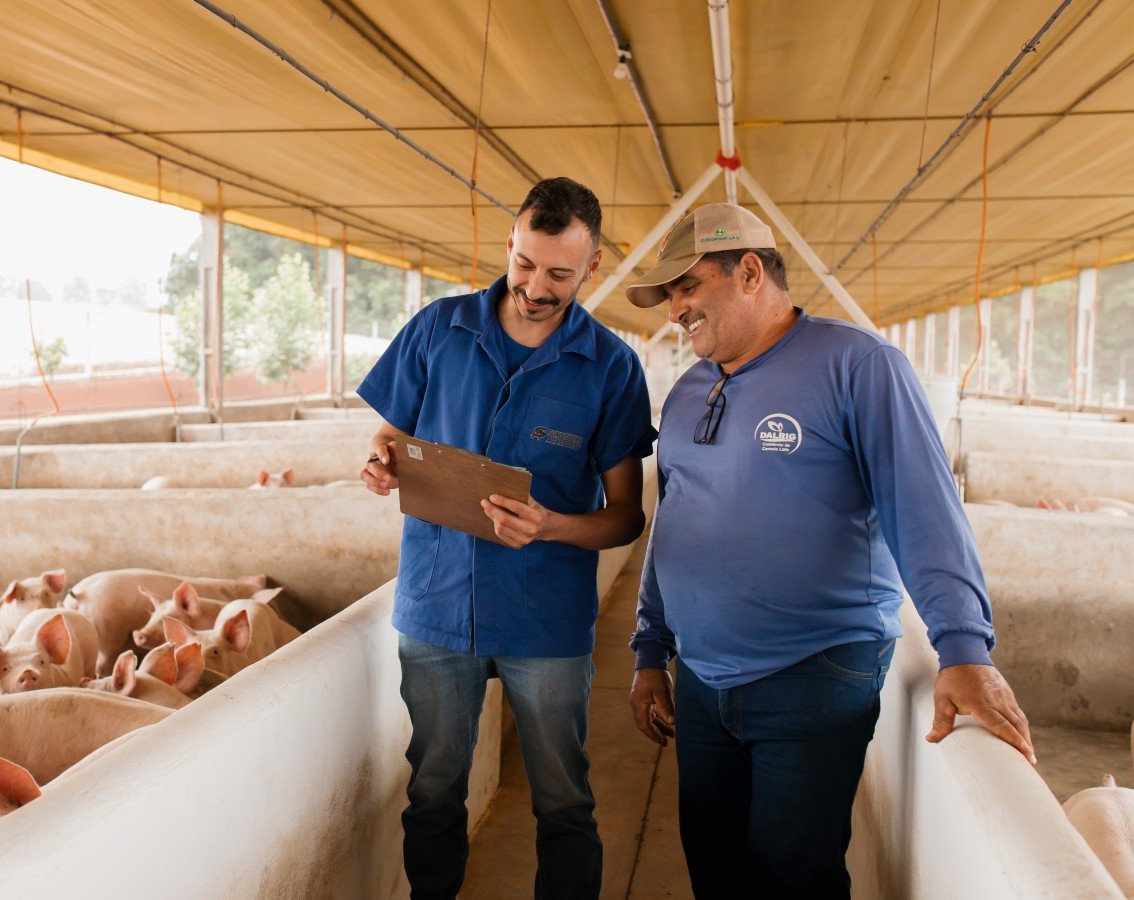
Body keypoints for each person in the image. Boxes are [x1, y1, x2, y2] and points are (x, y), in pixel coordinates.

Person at [624, 203, 1034, 898]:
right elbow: (676, 521)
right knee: (713, 865)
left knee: (794, 874)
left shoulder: (860, 366)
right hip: (700, 678)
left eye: (687, 287)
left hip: (813, 672)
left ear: (750, 271)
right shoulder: (690, 390)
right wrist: (648, 650)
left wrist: (964, 648)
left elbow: (925, 509)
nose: (675, 311)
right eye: (670, 296)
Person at [357, 177, 657, 900]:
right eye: (525, 263)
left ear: (591, 268)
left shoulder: (612, 366)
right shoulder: (439, 329)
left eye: (560, 273)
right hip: (436, 606)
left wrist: (553, 524)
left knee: (563, 801)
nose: (535, 285)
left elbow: (627, 515)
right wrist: (379, 462)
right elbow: (389, 436)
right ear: (509, 244)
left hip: (544, 617)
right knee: (431, 791)